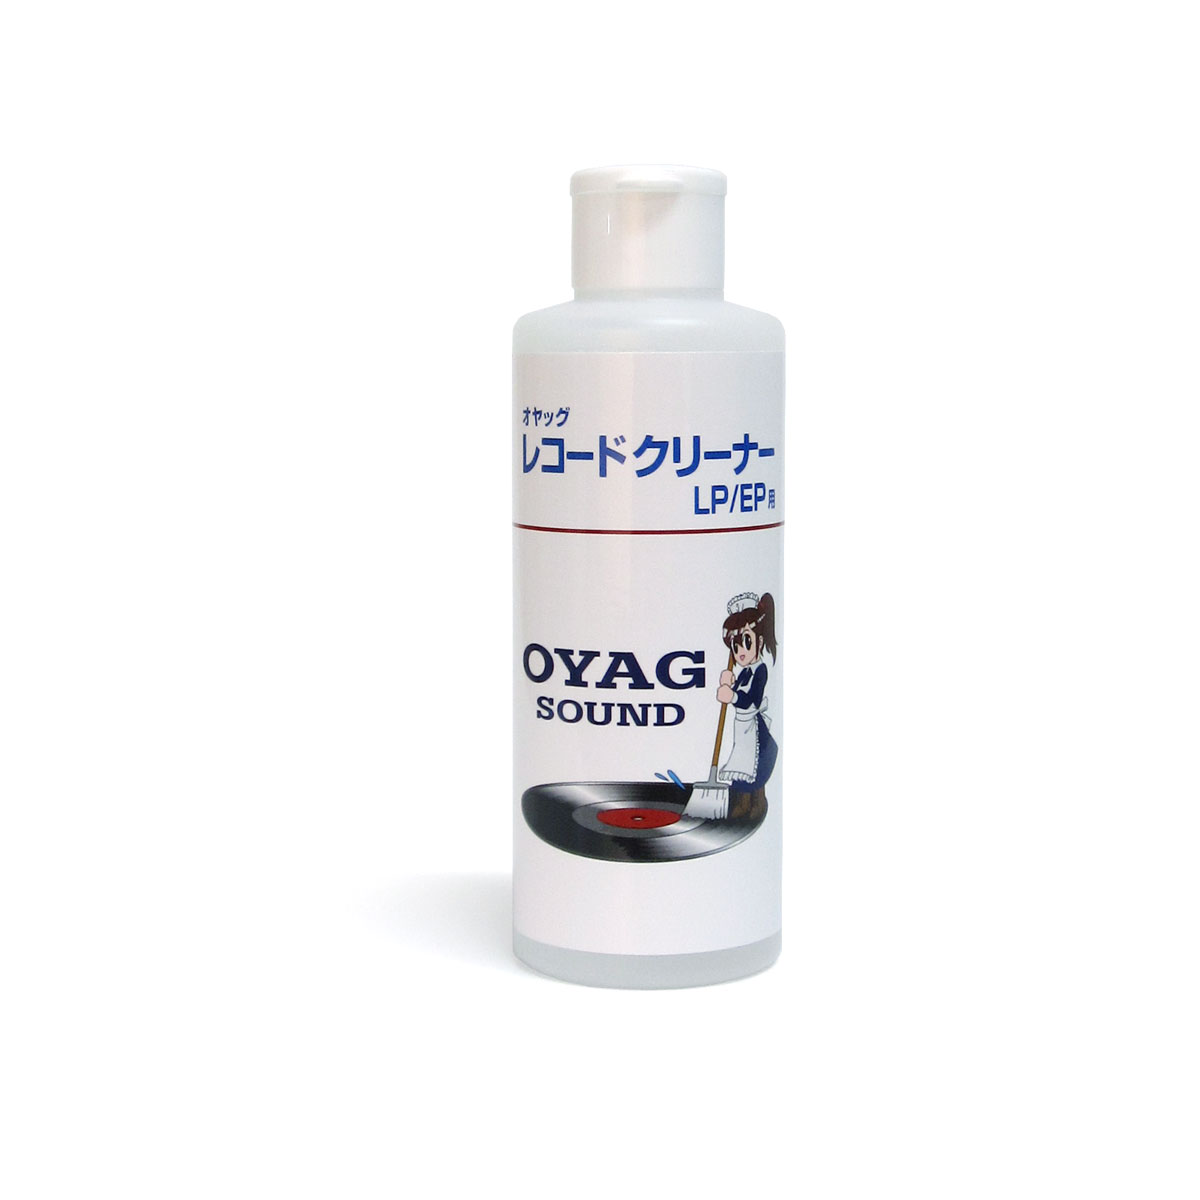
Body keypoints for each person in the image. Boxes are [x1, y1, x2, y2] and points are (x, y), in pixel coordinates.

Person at [716, 591, 779, 821]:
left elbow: (752, 699)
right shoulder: (744, 672)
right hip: (742, 728)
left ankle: (754, 807)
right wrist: (729, 683)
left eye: (746, 642)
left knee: (752, 766)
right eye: (735, 646)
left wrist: (731, 696)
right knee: (743, 766)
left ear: (759, 641)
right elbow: (738, 691)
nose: (740, 651)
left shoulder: (760, 670)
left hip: (753, 729)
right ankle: (742, 806)